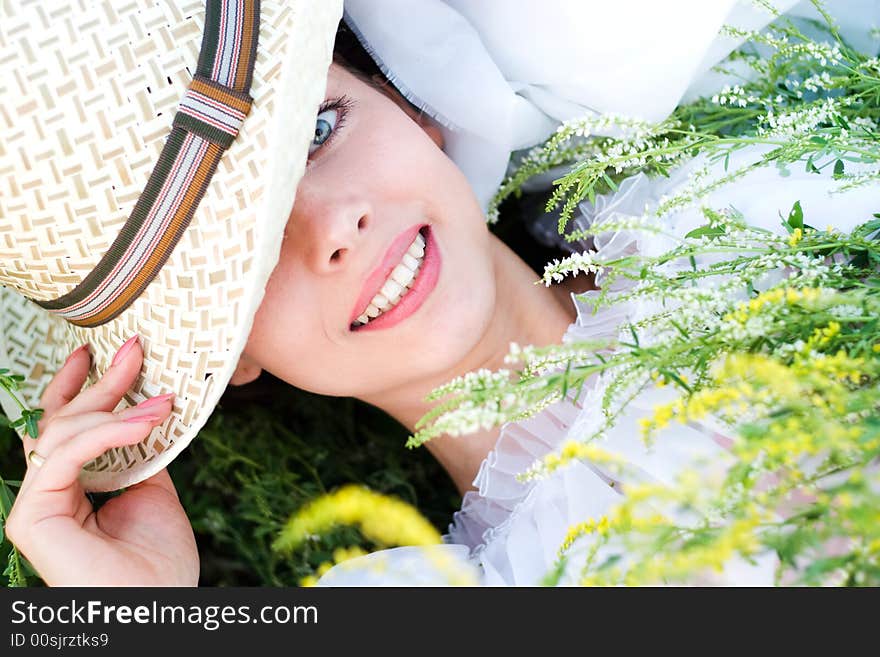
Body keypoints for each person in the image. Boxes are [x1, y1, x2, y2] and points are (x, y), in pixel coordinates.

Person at [2, 0, 877, 586]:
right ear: (227, 360)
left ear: (407, 107)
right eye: (253, 256)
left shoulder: (757, 196)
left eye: (318, 129)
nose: (336, 224)